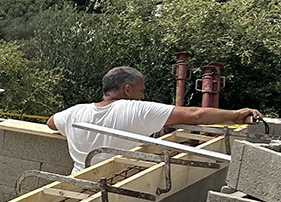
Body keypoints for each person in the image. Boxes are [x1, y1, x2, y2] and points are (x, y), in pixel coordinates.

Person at [46, 66, 261, 171]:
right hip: (114, 187)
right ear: (127, 90)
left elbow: (51, 123)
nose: (143, 96)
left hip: (75, 182)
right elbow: (194, 115)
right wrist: (236, 115)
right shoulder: (135, 109)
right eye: (141, 91)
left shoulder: (75, 112)